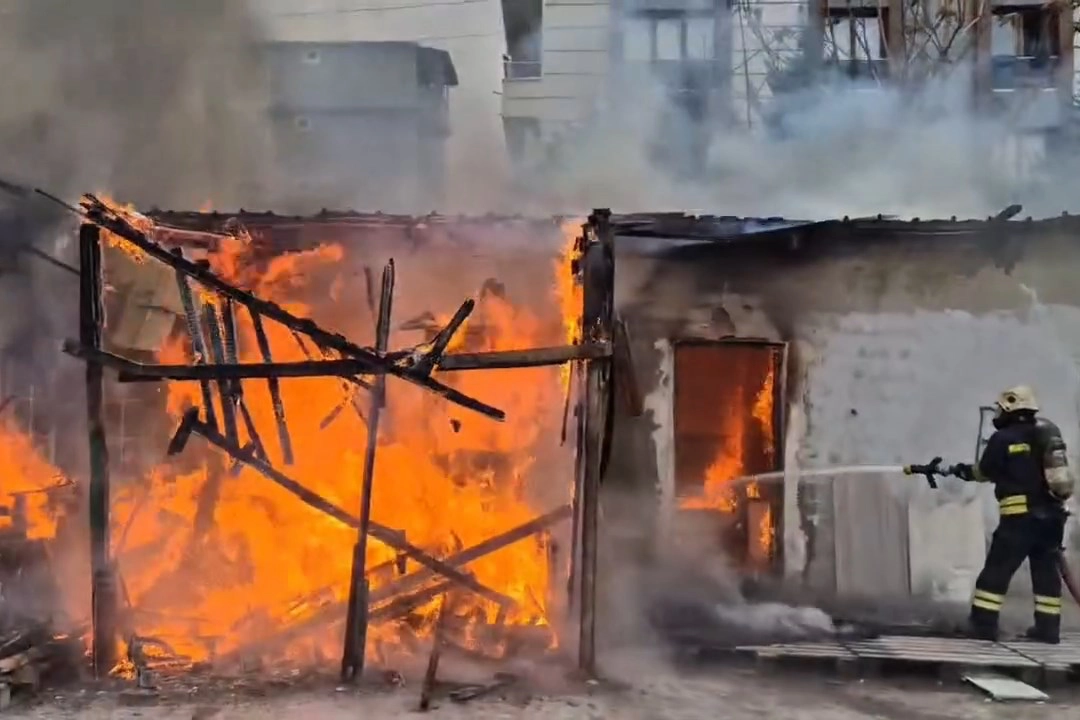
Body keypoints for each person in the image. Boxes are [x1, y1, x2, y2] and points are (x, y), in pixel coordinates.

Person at [949, 386, 1073, 644]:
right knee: (1046, 575)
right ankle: (1048, 630)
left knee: (997, 572)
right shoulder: (1046, 434)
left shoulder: (1002, 438)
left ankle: (983, 625)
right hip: (1052, 519)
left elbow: (985, 471)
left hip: (1019, 519)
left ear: (1009, 408)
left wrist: (962, 471)